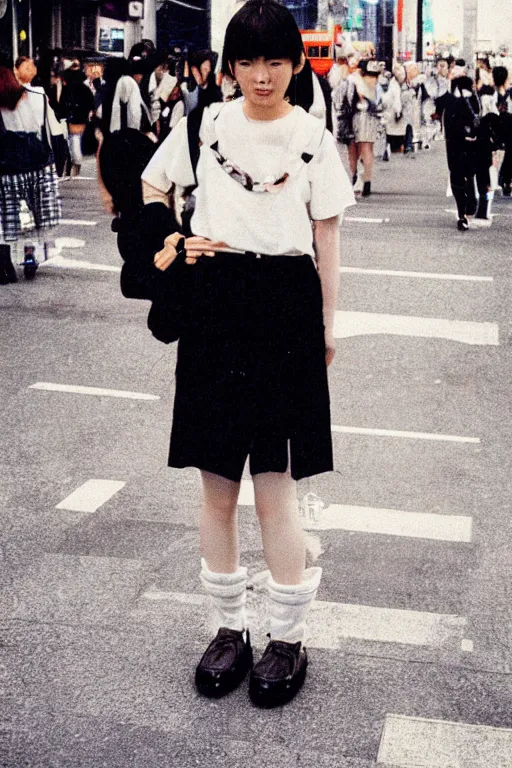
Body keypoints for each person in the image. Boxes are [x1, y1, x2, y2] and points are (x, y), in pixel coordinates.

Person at [140, 0, 355, 708]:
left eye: (274, 61)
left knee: (275, 485)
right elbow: (152, 183)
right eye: (247, 61)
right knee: (215, 483)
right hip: (215, 305)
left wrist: (327, 323)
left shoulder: (315, 137)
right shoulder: (203, 124)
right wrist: (172, 240)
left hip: (287, 307)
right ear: (230, 66)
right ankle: (228, 628)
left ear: (295, 65)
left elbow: (326, 238)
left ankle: (286, 636)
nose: (261, 76)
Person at [0, 66, 61, 282]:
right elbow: (36, 128)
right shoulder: (27, 96)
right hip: (32, 165)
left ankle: (5, 265)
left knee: (6, 217)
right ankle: (29, 254)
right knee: (29, 214)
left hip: (7, 169)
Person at [346, 58, 383, 196]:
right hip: (372, 116)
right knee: (368, 149)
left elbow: (351, 98)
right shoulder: (378, 83)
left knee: (354, 148)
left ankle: (355, 177)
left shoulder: (356, 81)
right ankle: (367, 182)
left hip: (358, 115)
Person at [60, 65, 95, 177]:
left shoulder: (67, 88)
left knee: (73, 142)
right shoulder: (85, 88)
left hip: (71, 119)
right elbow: (92, 103)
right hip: (82, 119)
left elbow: (62, 104)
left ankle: (75, 165)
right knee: (77, 141)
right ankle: (76, 167)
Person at [492, 65, 512, 197]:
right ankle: (505, 180)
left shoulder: (490, 93)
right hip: (507, 126)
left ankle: (504, 180)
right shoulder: (508, 94)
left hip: (496, 127)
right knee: (509, 154)